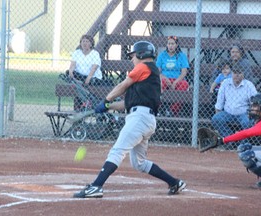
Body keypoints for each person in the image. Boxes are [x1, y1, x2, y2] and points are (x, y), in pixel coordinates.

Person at [73, 41, 186, 198]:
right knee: (139, 163)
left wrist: (106, 100)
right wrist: (109, 106)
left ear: (141, 54)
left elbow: (122, 85)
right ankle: (174, 182)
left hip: (139, 119)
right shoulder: (146, 77)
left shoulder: (144, 67)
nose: (132, 59)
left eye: (133, 56)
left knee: (117, 151)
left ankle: (96, 186)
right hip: (144, 119)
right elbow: (127, 104)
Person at [219, 93, 261, 191]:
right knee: (244, 149)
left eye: (255, 106)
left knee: (248, 156)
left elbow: (246, 133)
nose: (252, 108)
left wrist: (222, 140)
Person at [211, 64, 257, 141]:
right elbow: (220, 101)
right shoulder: (225, 83)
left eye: (239, 73)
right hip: (227, 113)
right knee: (216, 119)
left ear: (243, 74)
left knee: (247, 122)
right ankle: (230, 139)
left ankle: (243, 142)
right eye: (235, 73)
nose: (237, 75)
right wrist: (217, 112)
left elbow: (255, 101)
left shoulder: (248, 85)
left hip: (244, 114)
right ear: (232, 74)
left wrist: (252, 113)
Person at [66, 34, 103, 111]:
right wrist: (70, 71)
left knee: (82, 85)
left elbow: (94, 67)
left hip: (92, 77)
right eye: (83, 41)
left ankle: (78, 83)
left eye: (87, 41)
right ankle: (77, 111)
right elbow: (73, 65)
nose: (84, 43)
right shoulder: (77, 53)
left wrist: (89, 78)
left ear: (91, 44)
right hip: (80, 76)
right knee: (67, 72)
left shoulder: (95, 53)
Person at [156, 36, 190, 116]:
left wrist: (175, 82)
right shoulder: (162, 55)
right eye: (169, 44)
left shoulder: (181, 56)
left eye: (172, 44)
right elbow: (157, 71)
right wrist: (164, 78)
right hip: (165, 79)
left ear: (176, 45)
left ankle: (172, 111)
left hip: (178, 79)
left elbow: (184, 72)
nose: (170, 46)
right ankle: (161, 109)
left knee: (184, 85)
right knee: (160, 83)